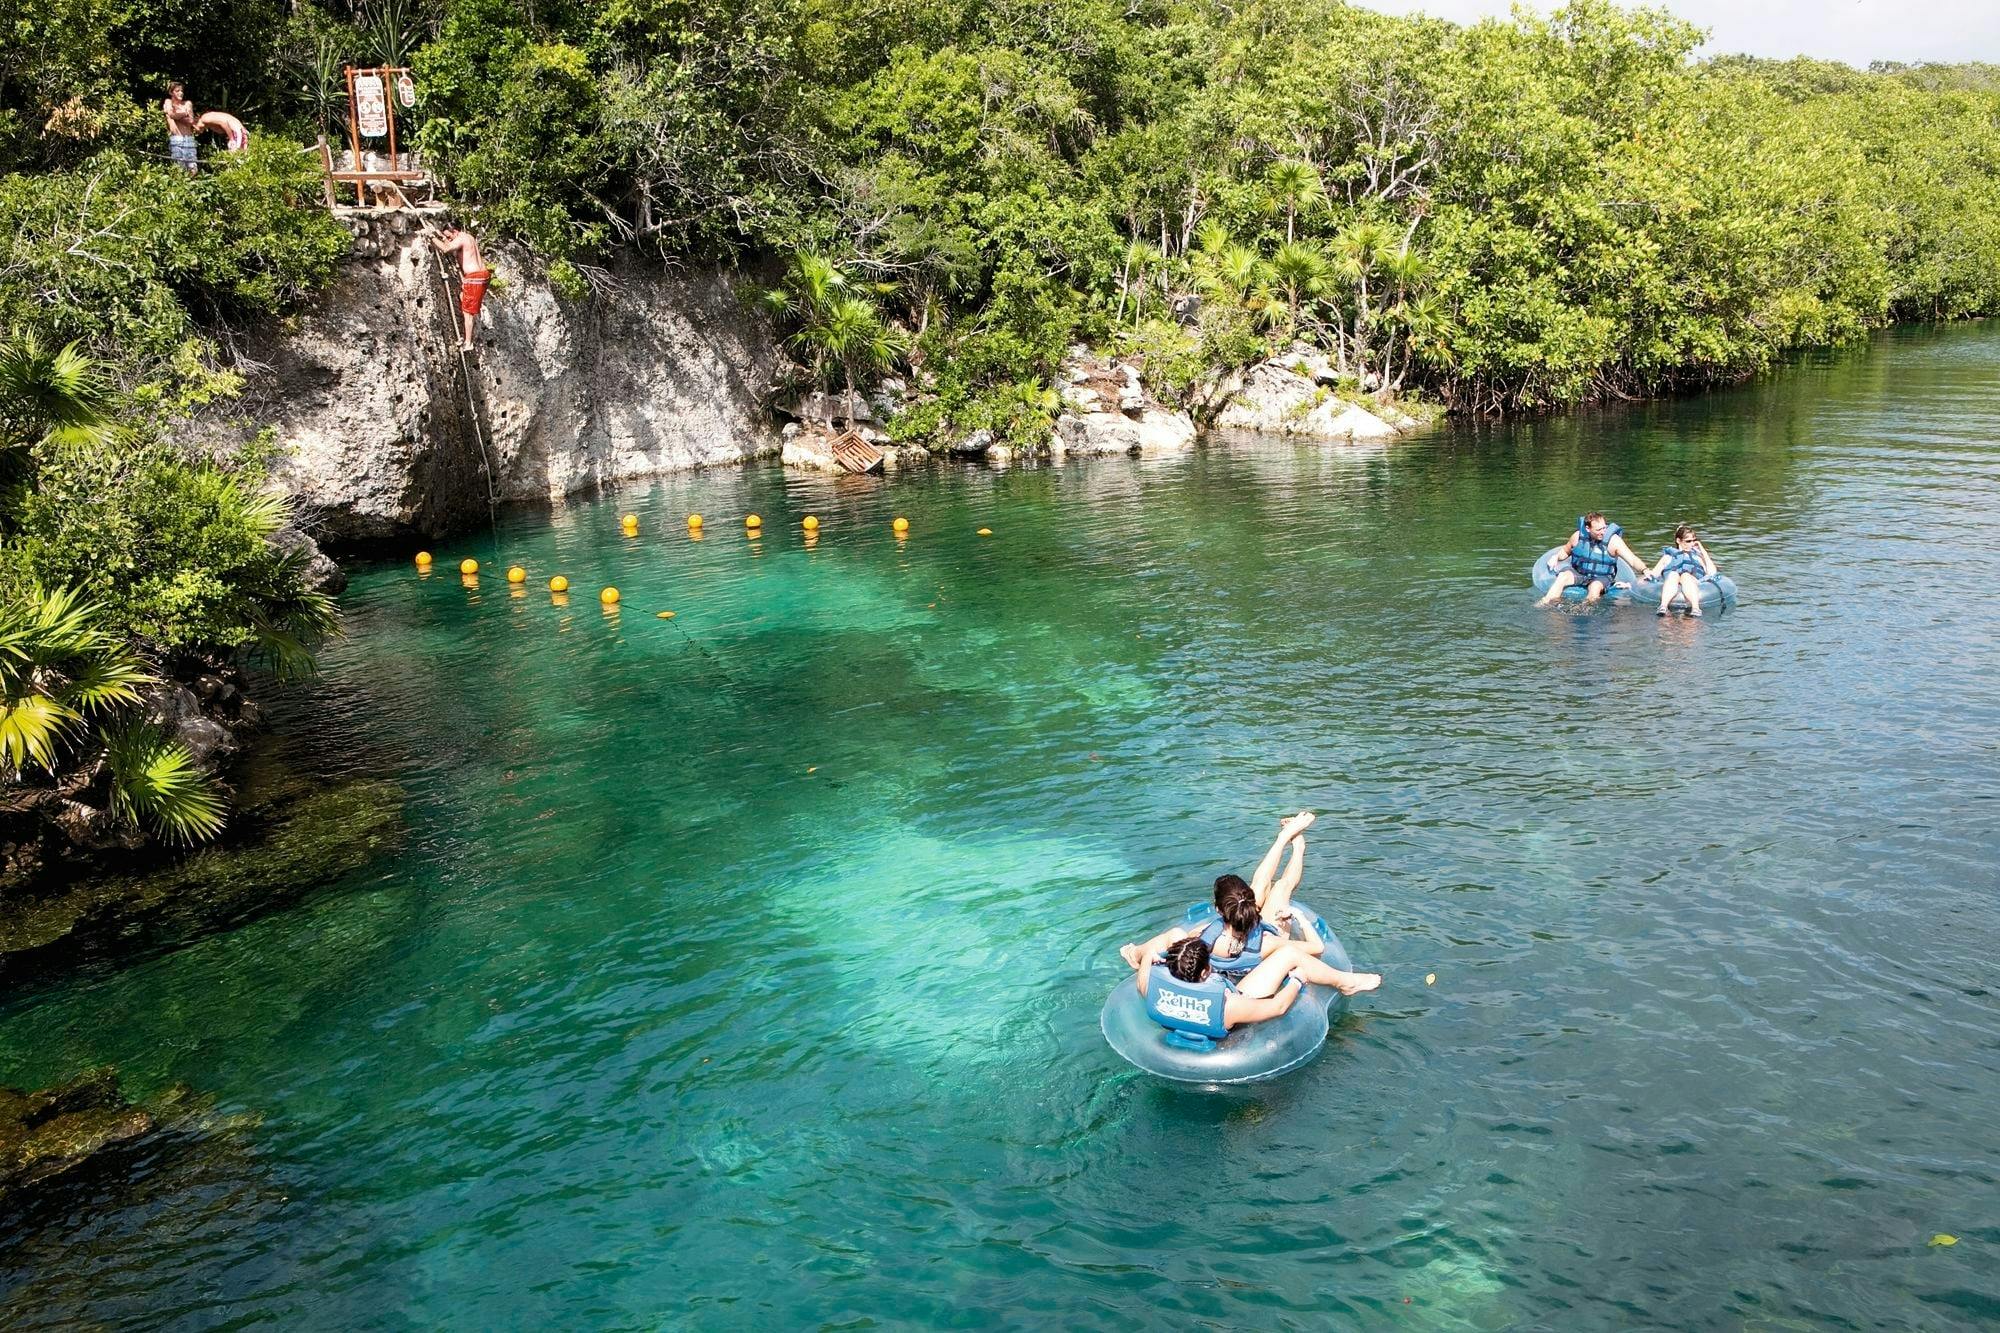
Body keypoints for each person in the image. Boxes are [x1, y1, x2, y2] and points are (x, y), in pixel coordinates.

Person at [1120, 811, 1322, 976]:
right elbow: (1316, 948)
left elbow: (1181, 947)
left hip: (1232, 937)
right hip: (1257, 945)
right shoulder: (1268, 943)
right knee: (1281, 887)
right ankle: (1297, 846)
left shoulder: (1202, 937)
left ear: (1218, 910)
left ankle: (1135, 953)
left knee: (1260, 884)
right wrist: (1299, 917)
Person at [1134, 935, 1382, 1043]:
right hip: (1232, 1026)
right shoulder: (1228, 1005)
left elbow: (1145, 967)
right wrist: (1297, 980)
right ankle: (1345, 982)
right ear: (1205, 972)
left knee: (1173, 936)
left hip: (1185, 1022)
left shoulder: (1149, 989)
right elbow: (1278, 1007)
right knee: (1288, 954)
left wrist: (1148, 958)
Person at [1538, 512, 1649, 606]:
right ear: (1588, 528)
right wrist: (1556, 557)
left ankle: (1583, 608)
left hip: (1602, 577)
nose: (1603, 532)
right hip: (1579, 572)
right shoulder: (1577, 536)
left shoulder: (1614, 541)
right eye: (1598, 529)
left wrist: (1645, 570)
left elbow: (1632, 560)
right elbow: (1565, 551)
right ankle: (1546, 602)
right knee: (1562, 577)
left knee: (1595, 588)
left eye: (1604, 528)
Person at [427, 225, 490, 352]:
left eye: (449, 236)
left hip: (474, 278)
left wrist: (432, 237)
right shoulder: (468, 237)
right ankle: (469, 335)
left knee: (468, 313)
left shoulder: (461, 239)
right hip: (483, 275)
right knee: (463, 297)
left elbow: (446, 249)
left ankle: (468, 343)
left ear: (455, 231)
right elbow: (453, 246)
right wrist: (443, 237)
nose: (449, 239)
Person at [1642, 523, 1720, 617]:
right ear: (1678, 541)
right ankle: (1663, 607)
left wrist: (1702, 550)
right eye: (1688, 541)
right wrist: (1637, 582)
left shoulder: (1697, 557)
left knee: (1685, 575)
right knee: (1673, 574)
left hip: (1691, 580)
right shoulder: (1668, 558)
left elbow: (1712, 573)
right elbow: (1653, 575)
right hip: (1672, 581)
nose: (1692, 544)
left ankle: (1695, 608)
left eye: (1694, 541)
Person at [162, 83, 197, 175]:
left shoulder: (187, 103)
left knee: (193, 168)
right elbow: (171, 115)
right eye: (177, 91)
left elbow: (191, 121)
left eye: (182, 91)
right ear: (171, 92)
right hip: (176, 138)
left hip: (189, 138)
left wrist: (176, 115)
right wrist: (184, 113)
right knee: (179, 168)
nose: (181, 93)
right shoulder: (168, 102)